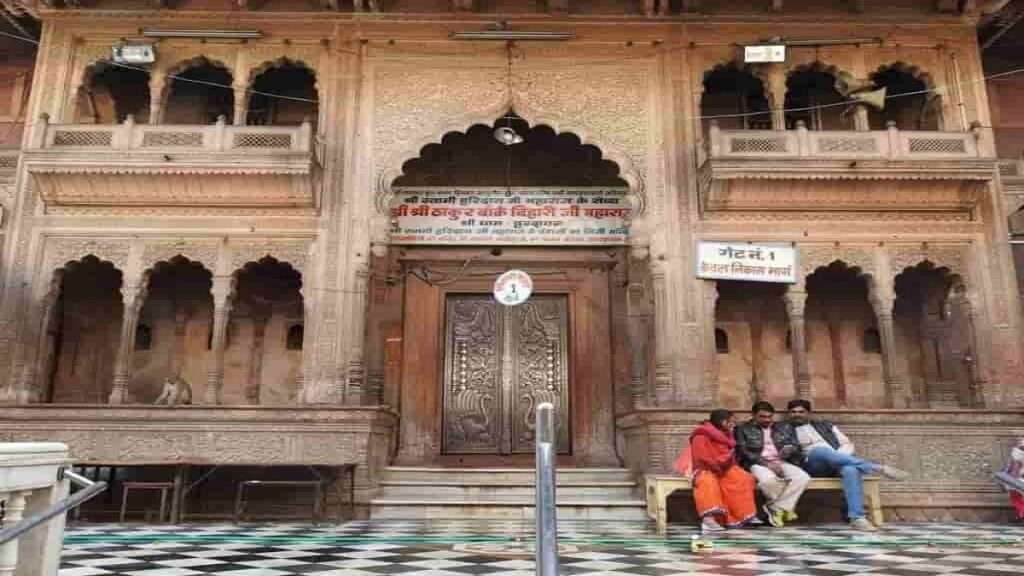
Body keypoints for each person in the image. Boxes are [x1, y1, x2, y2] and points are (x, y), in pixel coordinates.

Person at [787, 399, 909, 531]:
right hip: (812, 465)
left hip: (836, 461)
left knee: (850, 470)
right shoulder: (785, 429)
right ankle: (876, 467)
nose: (797, 414)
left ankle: (857, 518)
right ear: (789, 414)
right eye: (793, 412)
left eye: (801, 412)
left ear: (809, 413)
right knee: (821, 451)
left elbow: (846, 443)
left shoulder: (826, 425)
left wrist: (836, 457)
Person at [735, 401, 810, 528]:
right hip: (757, 463)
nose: (767, 420)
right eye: (762, 417)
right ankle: (785, 507)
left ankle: (776, 507)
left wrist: (789, 450)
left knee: (803, 477)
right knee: (768, 481)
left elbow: (796, 446)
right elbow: (743, 451)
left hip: (781, 461)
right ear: (753, 415)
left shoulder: (783, 427)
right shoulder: (742, 429)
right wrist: (765, 463)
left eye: (770, 417)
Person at [690, 408, 758, 533]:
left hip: (723, 467)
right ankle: (709, 519)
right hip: (705, 468)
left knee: (744, 478)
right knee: (708, 481)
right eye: (731, 421)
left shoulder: (727, 435)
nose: (733, 424)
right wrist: (718, 466)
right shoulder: (700, 435)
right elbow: (701, 458)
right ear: (723, 422)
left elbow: (729, 457)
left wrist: (725, 465)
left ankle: (742, 515)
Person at [1006, 438, 1024, 523]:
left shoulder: (1018, 453)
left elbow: (1015, 470)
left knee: (1015, 497)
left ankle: (1021, 514)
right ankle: (1020, 515)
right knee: (1017, 498)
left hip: (1018, 480)